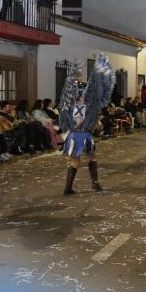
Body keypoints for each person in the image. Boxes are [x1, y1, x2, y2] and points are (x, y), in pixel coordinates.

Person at [59, 56, 114, 195]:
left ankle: (68, 188)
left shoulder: (71, 105)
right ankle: (95, 184)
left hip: (72, 135)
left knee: (75, 161)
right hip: (83, 135)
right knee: (91, 158)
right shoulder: (85, 106)